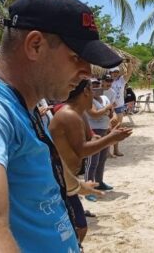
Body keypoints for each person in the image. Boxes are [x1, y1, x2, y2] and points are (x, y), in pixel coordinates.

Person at [0, 0, 123, 251]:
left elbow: (45, 170)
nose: (86, 73)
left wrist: (77, 186)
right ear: (35, 45)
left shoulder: (25, 107)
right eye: (76, 58)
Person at [50, 79, 132, 242]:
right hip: (59, 179)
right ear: (86, 91)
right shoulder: (69, 114)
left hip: (67, 179)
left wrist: (105, 135)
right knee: (78, 228)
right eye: (93, 90)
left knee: (78, 227)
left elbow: (88, 138)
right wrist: (110, 139)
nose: (96, 93)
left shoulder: (77, 113)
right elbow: (81, 150)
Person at [84, 78, 114, 203]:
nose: (96, 87)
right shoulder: (87, 101)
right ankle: (88, 189)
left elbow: (111, 113)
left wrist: (110, 114)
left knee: (102, 159)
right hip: (93, 132)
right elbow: (93, 114)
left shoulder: (105, 98)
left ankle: (99, 181)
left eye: (98, 84)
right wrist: (107, 109)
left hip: (104, 129)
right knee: (92, 161)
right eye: (93, 85)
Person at [109, 66, 133, 157]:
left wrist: (129, 64)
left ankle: (116, 149)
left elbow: (129, 73)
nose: (114, 73)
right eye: (113, 72)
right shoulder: (107, 81)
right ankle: (108, 151)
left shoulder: (121, 80)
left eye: (116, 71)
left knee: (118, 128)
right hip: (109, 108)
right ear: (110, 73)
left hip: (119, 107)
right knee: (108, 129)